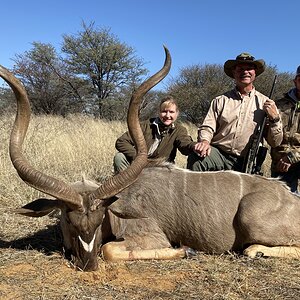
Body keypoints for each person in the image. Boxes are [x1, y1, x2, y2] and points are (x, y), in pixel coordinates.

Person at [187, 52, 283, 172]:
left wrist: (275, 120)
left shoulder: (266, 103)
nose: (245, 72)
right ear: (234, 73)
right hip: (219, 154)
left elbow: (275, 143)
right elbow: (207, 127)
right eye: (240, 69)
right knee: (196, 158)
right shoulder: (220, 100)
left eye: (249, 68)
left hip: (245, 160)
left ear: (255, 73)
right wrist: (205, 142)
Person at [113, 95, 199, 173]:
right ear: (159, 112)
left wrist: (195, 146)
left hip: (161, 168)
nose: (167, 115)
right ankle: (124, 187)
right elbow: (121, 141)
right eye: (164, 111)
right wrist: (138, 156)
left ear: (177, 113)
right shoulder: (145, 125)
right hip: (139, 165)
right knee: (120, 157)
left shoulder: (179, 130)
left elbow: (185, 144)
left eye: (171, 112)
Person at [270, 66, 300, 193]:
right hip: (281, 164)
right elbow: (272, 139)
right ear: (295, 81)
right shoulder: (278, 105)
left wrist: (292, 157)